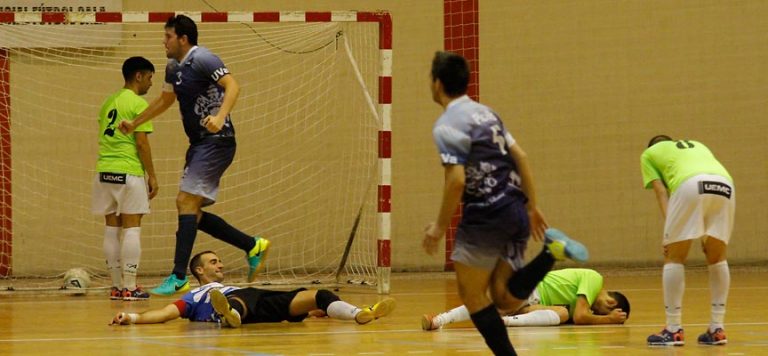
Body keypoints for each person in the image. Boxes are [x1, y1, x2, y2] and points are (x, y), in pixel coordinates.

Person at [422, 51, 589, 356]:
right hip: (515, 209)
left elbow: (456, 180)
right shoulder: (488, 113)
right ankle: (551, 252)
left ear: (437, 84)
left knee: (472, 296)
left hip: (485, 214)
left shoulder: (447, 124)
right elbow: (520, 157)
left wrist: (438, 227)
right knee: (505, 298)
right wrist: (531, 206)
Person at [118, 14, 269, 295]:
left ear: (183, 38)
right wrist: (135, 123)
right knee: (192, 212)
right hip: (198, 143)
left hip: (217, 140)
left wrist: (220, 116)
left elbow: (233, 86)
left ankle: (178, 275)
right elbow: (165, 100)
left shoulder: (204, 58)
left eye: (168, 36)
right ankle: (252, 245)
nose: (163, 41)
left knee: (184, 201)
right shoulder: (172, 67)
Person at [110, 250, 396, 327]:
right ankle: (230, 315)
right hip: (237, 301)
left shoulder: (233, 285)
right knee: (234, 300)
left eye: (220, 261)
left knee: (315, 296)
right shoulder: (193, 295)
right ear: (199, 270)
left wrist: (315, 313)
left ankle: (359, 313)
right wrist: (132, 318)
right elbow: (164, 313)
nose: (219, 264)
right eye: (213, 262)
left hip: (257, 300)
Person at [641, 135, 734, 346]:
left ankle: (673, 330)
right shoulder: (697, 145)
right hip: (724, 184)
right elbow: (704, 190)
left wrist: (669, 233)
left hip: (690, 184)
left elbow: (661, 191)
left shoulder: (649, 154)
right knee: (717, 257)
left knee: (674, 257)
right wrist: (703, 234)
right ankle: (717, 329)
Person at [92, 56, 158, 300]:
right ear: (139, 76)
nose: (151, 83)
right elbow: (141, 143)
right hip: (128, 170)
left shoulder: (108, 102)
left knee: (111, 228)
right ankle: (130, 288)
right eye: (150, 77)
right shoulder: (139, 104)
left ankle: (117, 286)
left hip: (103, 171)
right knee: (132, 228)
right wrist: (152, 175)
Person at [422, 268, 629, 330]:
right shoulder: (595, 278)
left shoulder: (581, 299)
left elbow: (574, 316)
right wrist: (608, 320)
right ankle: (440, 320)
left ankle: (504, 322)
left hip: (532, 302)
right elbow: (582, 316)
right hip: (530, 287)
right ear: (610, 303)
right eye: (600, 311)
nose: (595, 312)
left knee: (563, 314)